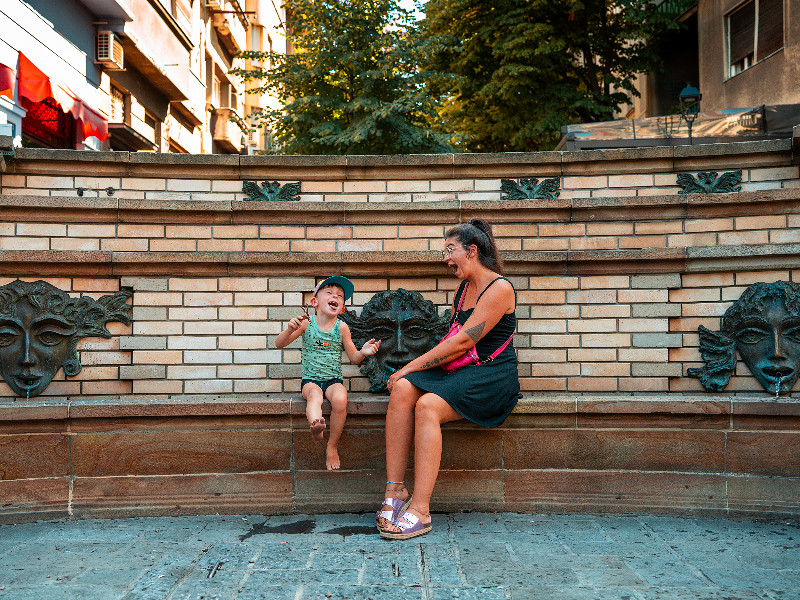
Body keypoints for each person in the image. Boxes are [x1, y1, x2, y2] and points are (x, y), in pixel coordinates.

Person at [376, 219, 521, 540]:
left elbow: (463, 342)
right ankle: (395, 490)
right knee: (402, 389)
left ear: (472, 251)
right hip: (464, 368)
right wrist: (408, 374)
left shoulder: (500, 288)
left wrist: (409, 366)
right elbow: (452, 344)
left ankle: (421, 510)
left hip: (493, 375)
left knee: (427, 405)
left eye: (450, 249)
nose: (445, 257)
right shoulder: (463, 289)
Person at [275, 276, 381, 471]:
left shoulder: (342, 328)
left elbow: (353, 356)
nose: (336, 296)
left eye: (340, 296)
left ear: (341, 308)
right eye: (329, 293)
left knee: (341, 398)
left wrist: (364, 352)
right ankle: (316, 427)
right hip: (311, 380)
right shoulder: (306, 324)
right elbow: (279, 343)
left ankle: (331, 446)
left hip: (333, 380)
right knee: (314, 396)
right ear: (315, 302)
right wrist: (289, 329)